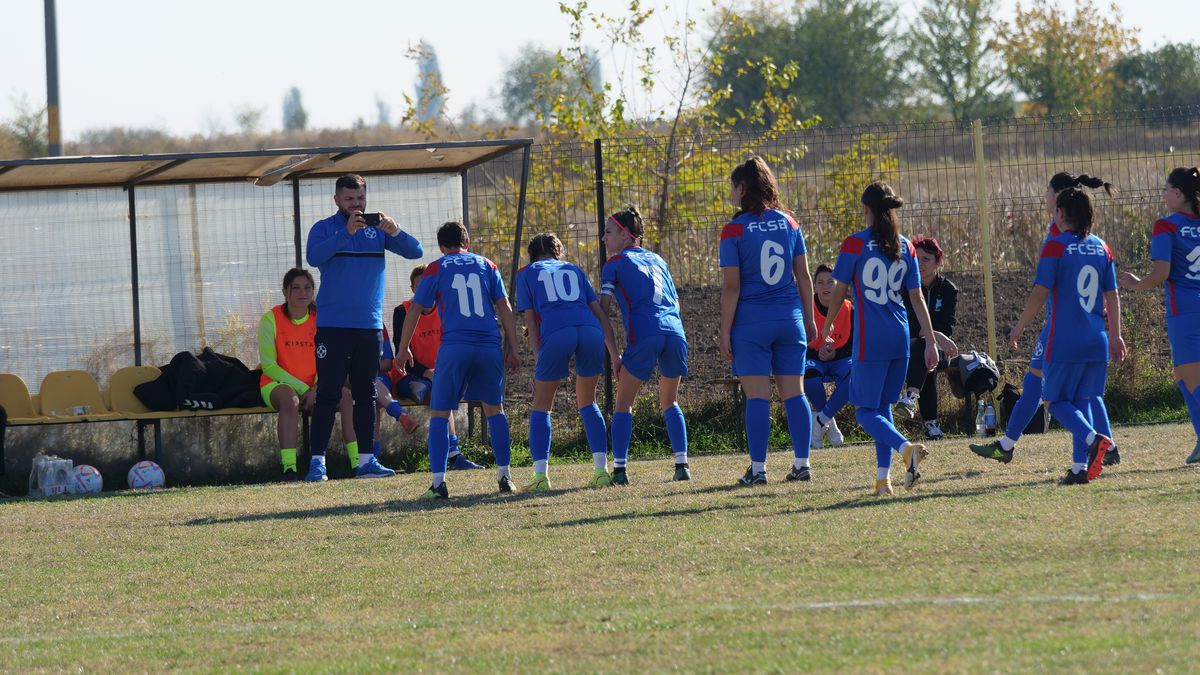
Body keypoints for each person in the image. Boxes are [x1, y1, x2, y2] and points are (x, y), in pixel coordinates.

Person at [971, 172, 1116, 464]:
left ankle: (1102, 446)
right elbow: (1103, 284)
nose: (1045, 198)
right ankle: (1010, 444)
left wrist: (1020, 326)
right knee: (1040, 382)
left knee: (1060, 395)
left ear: (1060, 200)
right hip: (1082, 327)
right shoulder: (1092, 241)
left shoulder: (1058, 235)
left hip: (1062, 329)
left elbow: (1044, 288)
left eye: (1048, 192)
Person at [304, 173, 424, 482]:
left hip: (368, 327)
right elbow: (314, 257)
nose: (356, 205)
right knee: (328, 393)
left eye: (360, 199)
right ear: (336, 200)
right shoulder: (324, 229)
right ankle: (317, 463)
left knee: (366, 393)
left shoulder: (378, 230)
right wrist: (345, 233)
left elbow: (416, 251)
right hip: (332, 327)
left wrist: (395, 231)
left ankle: (367, 462)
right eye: (349, 200)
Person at [821, 182, 939, 496]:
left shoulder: (855, 244)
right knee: (883, 410)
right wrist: (929, 341)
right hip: (899, 338)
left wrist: (827, 326)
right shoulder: (906, 246)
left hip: (870, 340)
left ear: (868, 210)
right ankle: (882, 480)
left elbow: (840, 289)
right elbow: (916, 298)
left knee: (864, 412)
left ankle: (906, 450)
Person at [397, 221, 521, 499]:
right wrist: (513, 347)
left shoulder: (437, 267)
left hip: (455, 345)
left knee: (440, 412)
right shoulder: (488, 265)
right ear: (467, 242)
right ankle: (505, 476)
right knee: (495, 410)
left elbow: (417, 307)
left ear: (442, 246)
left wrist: (403, 348)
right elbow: (504, 306)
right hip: (489, 344)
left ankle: (439, 483)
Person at [1010, 187, 1123, 484]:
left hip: (1065, 339)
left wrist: (1020, 325)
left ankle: (1094, 440)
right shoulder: (1102, 247)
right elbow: (1112, 297)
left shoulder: (1056, 246)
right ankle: (1078, 468)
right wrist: (1116, 336)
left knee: (1054, 401)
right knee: (1082, 401)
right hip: (1097, 339)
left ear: (1061, 214)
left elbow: (1039, 292)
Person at [718, 156, 818, 485]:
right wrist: (809, 318)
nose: (731, 194)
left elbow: (732, 288)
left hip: (752, 323)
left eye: (733, 188)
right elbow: (803, 276)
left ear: (743, 188)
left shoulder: (733, 230)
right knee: (795, 393)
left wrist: (725, 331)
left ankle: (758, 470)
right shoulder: (789, 222)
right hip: (789, 319)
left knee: (758, 397)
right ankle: (802, 464)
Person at [516, 233, 620, 490]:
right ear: (558, 252)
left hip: (557, 332)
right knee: (588, 402)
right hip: (590, 331)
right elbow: (600, 315)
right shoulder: (573, 269)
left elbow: (531, 322)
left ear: (532, 255)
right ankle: (601, 470)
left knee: (542, 406)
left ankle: (541, 477)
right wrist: (615, 353)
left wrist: (540, 359)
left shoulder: (526, 273)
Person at [600, 205, 691, 484]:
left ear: (627, 236)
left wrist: (615, 355)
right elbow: (675, 302)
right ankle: (682, 465)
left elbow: (601, 311)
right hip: (675, 332)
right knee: (670, 401)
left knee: (624, 404)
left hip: (645, 333)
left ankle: (619, 470)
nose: (603, 238)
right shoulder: (659, 260)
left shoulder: (613, 264)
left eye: (609, 232)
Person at [1119, 167, 1200, 464]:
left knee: (1192, 379)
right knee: (1182, 376)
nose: (1164, 195)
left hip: (1186, 311)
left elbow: (1161, 272)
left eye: (1166, 190)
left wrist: (1137, 283)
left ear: (1178, 193)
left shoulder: (1167, 225)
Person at [258, 268, 359, 480]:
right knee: (290, 401)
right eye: (295, 288)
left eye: (307, 288)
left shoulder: (322, 319)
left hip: (316, 387)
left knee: (347, 397)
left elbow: (330, 360)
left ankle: (358, 463)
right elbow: (269, 366)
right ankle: (289, 469)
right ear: (285, 292)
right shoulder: (270, 319)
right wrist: (304, 389)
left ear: (313, 292)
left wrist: (317, 389)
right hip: (278, 385)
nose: (302, 293)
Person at [390, 265, 481, 470]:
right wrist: (426, 372)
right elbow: (402, 355)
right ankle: (451, 454)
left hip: (441, 374)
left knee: (444, 387)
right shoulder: (402, 312)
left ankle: (447, 453)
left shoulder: (446, 309)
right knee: (437, 390)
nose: (425, 290)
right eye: (419, 286)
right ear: (413, 289)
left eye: (430, 285)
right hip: (410, 376)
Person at [897, 236, 959, 439]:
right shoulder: (907, 289)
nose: (920, 264)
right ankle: (931, 424)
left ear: (938, 262)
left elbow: (948, 325)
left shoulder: (948, 290)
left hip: (939, 349)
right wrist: (936, 336)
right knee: (924, 348)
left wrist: (937, 337)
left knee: (928, 352)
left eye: (926, 259)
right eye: (917, 259)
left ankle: (911, 397)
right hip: (910, 345)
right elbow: (912, 326)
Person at [805, 263, 852, 449]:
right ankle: (830, 424)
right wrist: (818, 352)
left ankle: (820, 421)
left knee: (856, 375)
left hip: (839, 358)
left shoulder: (848, 308)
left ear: (838, 284)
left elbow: (853, 344)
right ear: (814, 286)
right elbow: (800, 342)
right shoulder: (806, 308)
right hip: (814, 358)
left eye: (830, 282)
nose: (825, 287)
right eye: (820, 282)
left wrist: (834, 354)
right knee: (809, 379)